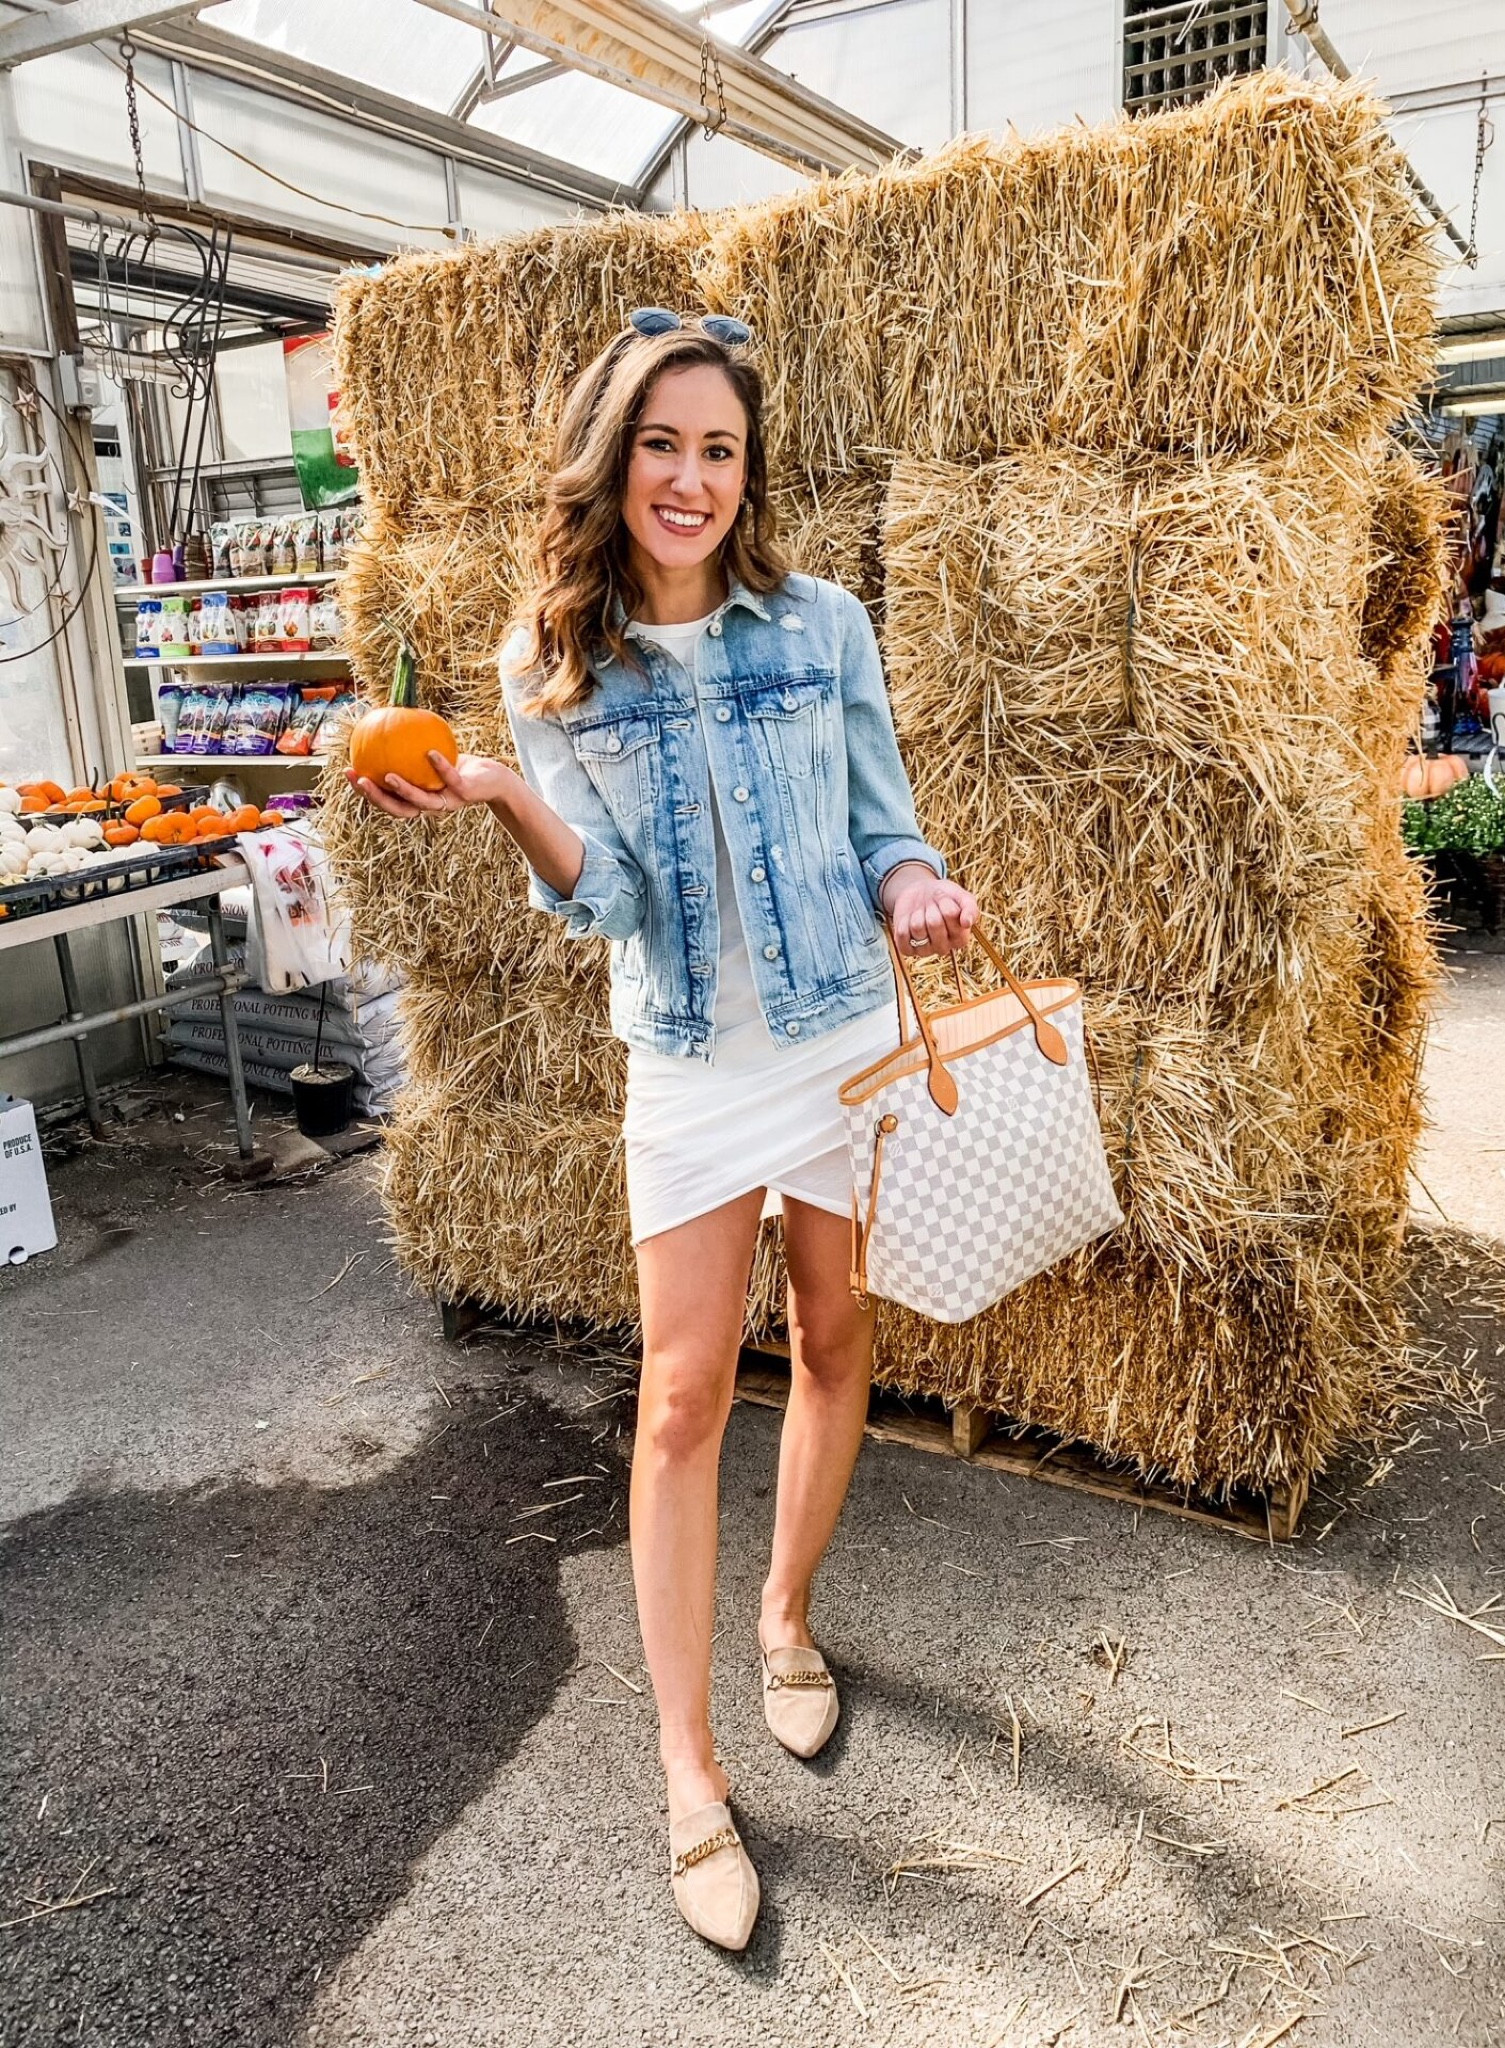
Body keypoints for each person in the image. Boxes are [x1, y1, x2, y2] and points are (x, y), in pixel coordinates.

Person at [349, 309, 977, 1951]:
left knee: (839, 1336)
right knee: (686, 1394)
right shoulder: (552, 668)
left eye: (719, 447)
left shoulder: (824, 624)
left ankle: (786, 1616)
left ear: (747, 468)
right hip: (695, 1061)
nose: (690, 477)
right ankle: (689, 1773)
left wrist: (916, 886)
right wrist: (503, 795)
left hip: (839, 1039)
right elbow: (612, 898)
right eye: (660, 444)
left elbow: (884, 827)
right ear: (613, 459)